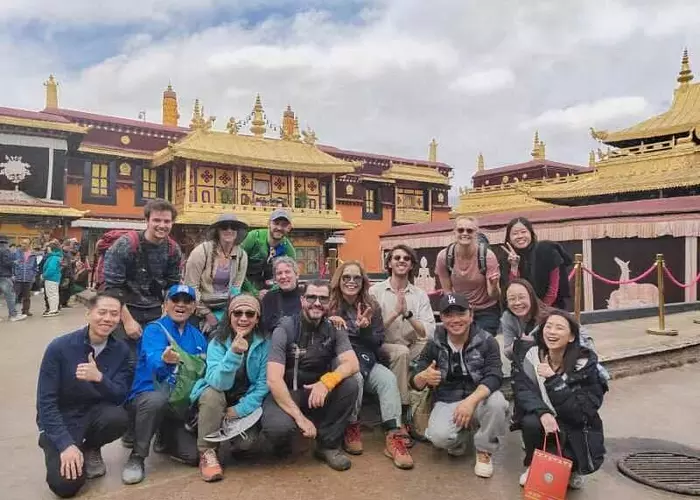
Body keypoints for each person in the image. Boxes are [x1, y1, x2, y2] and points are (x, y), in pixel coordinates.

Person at [36, 292, 130, 498]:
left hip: (94, 413)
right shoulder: (59, 348)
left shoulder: (120, 350)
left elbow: (120, 395)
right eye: (102, 312)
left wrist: (99, 378)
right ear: (88, 314)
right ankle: (55, 444)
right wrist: (65, 444)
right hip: (63, 418)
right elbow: (46, 402)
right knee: (65, 486)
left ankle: (90, 448)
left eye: (114, 314)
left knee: (119, 417)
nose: (107, 318)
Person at [261, 280, 360, 471]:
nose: (317, 303)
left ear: (330, 302)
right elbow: (273, 379)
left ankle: (328, 445)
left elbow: (352, 363)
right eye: (311, 297)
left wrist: (326, 383)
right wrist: (300, 418)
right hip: (286, 391)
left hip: (317, 391)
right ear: (301, 300)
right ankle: (284, 442)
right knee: (278, 429)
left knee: (350, 384)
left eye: (323, 298)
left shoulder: (335, 328)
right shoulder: (285, 328)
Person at [410, 293, 509, 479]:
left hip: (479, 398)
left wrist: (470, 402)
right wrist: (423, 376)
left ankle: (484, 450)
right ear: (442, 318)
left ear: (471, 315)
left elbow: (495, 376)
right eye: (448, 315)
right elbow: (415, 378)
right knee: (439, 438)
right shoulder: (435, 342)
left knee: (498, 403)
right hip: (448, 399)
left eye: (461, 314)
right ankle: (462, 436)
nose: (455, 320)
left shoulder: (487, 341)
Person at [328, 261, 413, 469]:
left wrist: (365, 329)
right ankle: (352, 425)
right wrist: (329, 322)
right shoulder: (328, 304)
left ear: (363, 281)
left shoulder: (371, 306)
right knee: (354, 376)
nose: (351, 281)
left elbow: (377, 342)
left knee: (387, 379)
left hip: (366, 358)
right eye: (346, 277)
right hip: (339, 359)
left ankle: (393, 435)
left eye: (356, 278)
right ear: (339, 280)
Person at [121, 284, 208, 485]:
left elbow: (203, 372)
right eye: (175, 300)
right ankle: (137, 456)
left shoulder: (198, 336)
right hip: (149, 397)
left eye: (187, 301)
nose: (181, 305)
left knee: (193, 456)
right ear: (165, 304)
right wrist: (165, 361)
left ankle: (164, 437)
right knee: (155, 401)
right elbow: (154, 362)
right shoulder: (154, 330)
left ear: (194, 307)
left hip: (177, 405)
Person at [511, 310, 608, 490]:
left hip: (574, 425)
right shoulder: (531, 356)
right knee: (530, 421)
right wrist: (543, 412)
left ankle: (572, 469)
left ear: (571, 337)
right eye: (548, 326)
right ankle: (535, 464)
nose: (552, 332)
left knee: (569, 441)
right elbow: (522, 390)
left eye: (559, 328)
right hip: (545, 420)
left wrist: (553, 380)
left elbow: (579, 413)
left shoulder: (586, 366)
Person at [190, 294, 269, 482]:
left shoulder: (265, 344)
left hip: (243, 401)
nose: (243, 318)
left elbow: (262, 385)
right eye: (238, 313)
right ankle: (207, 452)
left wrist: (239, 410)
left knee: (245, 445)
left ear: (257, 319)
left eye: (250, 314)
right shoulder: (217, 341)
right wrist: (233, 354)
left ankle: (224, 436)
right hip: (218, 395)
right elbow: (217, 382)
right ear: (230, 316)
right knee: (211, 394)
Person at [103, 198, 183, 349]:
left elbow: (172, 285)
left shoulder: (173, 250)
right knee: (126, 360)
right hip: (124, 309)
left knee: (153, 359)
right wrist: (127, 321)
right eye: (157, 220)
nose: (162, 225)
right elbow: (112, 288)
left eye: (167, 221)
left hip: (154, 311)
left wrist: (167, 314)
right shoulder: (125, 245)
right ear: (147, 220)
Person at [369, 244, 435, 422]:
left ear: (412, 265)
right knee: (401, 353)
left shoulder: (420, 295)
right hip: (383, 347)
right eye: (397, 258)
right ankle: (402, 414)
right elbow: (370, 330)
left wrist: (408, 315)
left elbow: (427, 331)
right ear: (389, 263)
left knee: (434, 346)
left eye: (406, 258)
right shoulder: (375, 292)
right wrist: (395, 313)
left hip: (412, 347)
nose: (401, 261)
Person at [184, 214, 249, 334]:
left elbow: (236, 288)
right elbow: (191, 287)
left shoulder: (241, 255)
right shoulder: (201, 252)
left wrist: (226, 315)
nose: (229, 230)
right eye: (224, 227)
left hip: (225, 308)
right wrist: (207, 314)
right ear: (217, 231)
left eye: (233, 227)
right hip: (198, 306)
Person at [435, 216, 501, 335]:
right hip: (460, 307)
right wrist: (453, 311)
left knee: (481, 343)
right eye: (461, 230)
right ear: (454, 232)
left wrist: (494, 285)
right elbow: (447, 291)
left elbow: (494, 295)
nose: (465, 233)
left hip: (485, 309)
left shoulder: (487, 256)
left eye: (469, 230)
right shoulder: (444, 257)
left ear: (476, 233)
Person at [501, 217, 572, 309]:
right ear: (509, 239)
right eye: (515, 233)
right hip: (520, 309)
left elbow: (553, 289)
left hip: (550, 306)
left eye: (523, 232)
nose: (520, 236)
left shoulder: (547, 250)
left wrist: (541, 310)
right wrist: (514, 266)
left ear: (531, 233)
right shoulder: (505, 258)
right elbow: (512, 291)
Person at [240, 208, 296, 299]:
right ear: (269, 224)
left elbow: (291, 276)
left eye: (284, 225)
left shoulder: (288, 250)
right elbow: (236, 267)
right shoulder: (253, 237)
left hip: (271, 291)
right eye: (276, 223)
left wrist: (271, 292)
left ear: (289, 228)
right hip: (244, 287)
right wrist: (254, 292)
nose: (279, 228)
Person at [501, 279, 547, 361]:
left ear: (531, 297)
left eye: (522, 297)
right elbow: (508, 354)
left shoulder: (548, 317)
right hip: (523, 362)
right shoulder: (507, 317)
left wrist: (536, 341)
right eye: (512, 299)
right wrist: (518, 344)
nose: (517, 303)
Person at [260, 256, 303, 334]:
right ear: (275, 278)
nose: (283, 276)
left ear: (296, 274)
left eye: (287, 272)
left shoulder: (306, 296)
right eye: (279, 273)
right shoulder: (269, 298)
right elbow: (264, 326)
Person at [0, 234, 26, 322]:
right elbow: (6, 262)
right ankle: (13, 315)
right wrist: (15, 262)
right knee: (10, 296)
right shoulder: (5, 249)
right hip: (4, 275)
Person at [13, 237, 38, 317]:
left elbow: (35, 267)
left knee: (27, 296)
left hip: (28, 278)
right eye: (22, 243)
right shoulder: (16, 253)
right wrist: (13, 275)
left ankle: (26, 311)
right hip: (18, 278)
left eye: (26, 243)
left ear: (29, 245)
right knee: (15, 296)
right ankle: (13, 311)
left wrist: (33, 275)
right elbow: (12, 265)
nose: (24, 245)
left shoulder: (33, 255)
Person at [42, 240, 63, 317]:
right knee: (53, 294)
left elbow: (51, 269)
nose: (47, 250)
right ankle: (53, 309)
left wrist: (44, 275)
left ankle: (53, 310)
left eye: (48, 248)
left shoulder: (53, 257)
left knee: (52, 294)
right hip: (54, 278)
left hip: (51, 278)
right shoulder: (57, 257)